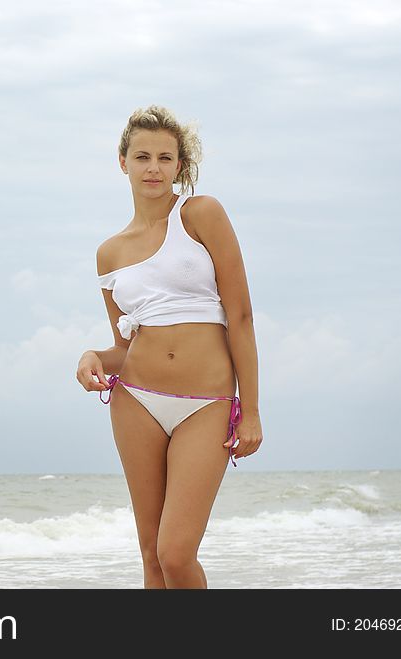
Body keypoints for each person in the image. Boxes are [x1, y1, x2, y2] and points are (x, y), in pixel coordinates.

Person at [76, 105, 263, 589]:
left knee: (176, 554)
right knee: (151, 556)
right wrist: (93, 357)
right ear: (123, 162)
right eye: (142, 156)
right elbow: (124, 345)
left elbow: (240, 316)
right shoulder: (110, 252)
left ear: (180, 164)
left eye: (164, 157)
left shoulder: (200, 214)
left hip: (206, 404)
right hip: (136, 399)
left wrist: (253, 410)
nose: (153, 168)